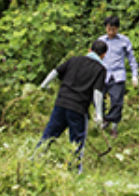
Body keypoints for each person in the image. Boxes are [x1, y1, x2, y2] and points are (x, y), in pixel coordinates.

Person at [36, 40, 108, 171]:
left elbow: (55, 71)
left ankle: (35, 159)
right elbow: (97, 93)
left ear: (89, 50)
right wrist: (99, 114)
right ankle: (74, 169)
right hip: (78, 108)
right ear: (104, 55)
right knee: (77, 141)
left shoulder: (74, 60)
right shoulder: (100, 69)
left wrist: (43, 85)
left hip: (61, 103)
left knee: (49, 134)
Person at [97, 16, 139, 137]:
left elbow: (131, 59)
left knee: (116, 102)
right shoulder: (101, 40)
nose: (111, 32)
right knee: (98, 100)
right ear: (106, 28)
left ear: (118, 28)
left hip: (118, 75)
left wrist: (134, 75)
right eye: (109, 29)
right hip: (102, 74)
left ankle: (113, 126)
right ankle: (103, 119)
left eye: (113, 29)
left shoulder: (124, 41)